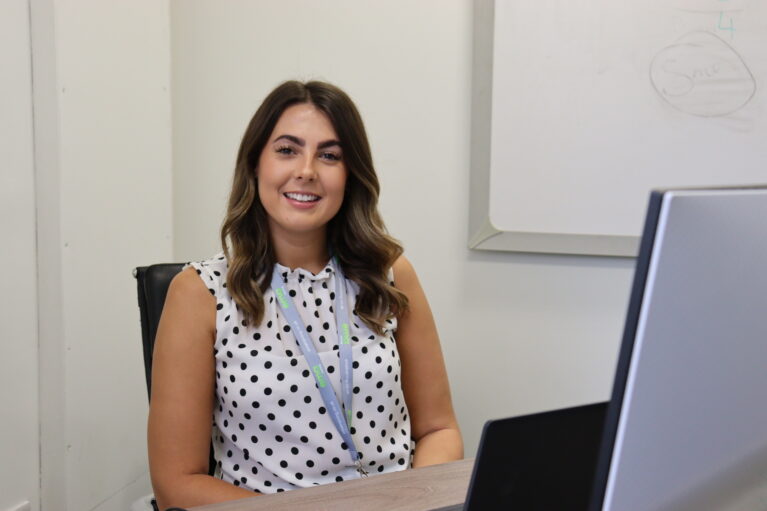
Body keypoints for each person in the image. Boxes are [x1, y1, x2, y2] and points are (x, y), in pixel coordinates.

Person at [147, 80, 462, 510]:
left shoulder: (389, 275)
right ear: (256, 164)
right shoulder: (199, 293)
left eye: (330, 155)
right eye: (287, 150)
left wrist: (415, 501)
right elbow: (176, 484)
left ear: (350, 176)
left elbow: (439, 430)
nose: (307, 170)